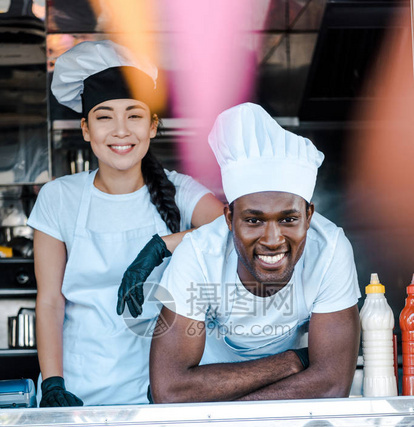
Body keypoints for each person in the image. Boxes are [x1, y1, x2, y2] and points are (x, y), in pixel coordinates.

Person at [28, 40, 223, 407]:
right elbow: (50, 300)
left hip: (160, 386)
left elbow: (237, 230)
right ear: (86, 129)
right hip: (78, 383)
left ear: (152, 126)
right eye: (104, 117)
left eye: (134, 115)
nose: (121, 130)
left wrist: (162, 246)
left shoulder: (180, 190)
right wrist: (54, 383)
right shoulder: (58, 198)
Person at [150, 102, 361, 403]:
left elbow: (331, 384)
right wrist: (292, 362)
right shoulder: (198, 256)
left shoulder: (328, 251)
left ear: (309, 216)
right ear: (228, 219)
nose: (273, 240)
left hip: (227, 410)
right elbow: (170, 391)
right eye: (253, 220)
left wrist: (223, 404)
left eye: (289, 219)